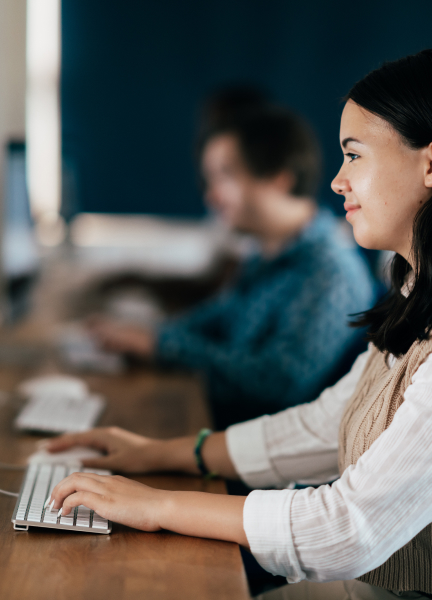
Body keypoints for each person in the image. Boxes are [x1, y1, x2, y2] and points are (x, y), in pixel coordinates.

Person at [45, 49, 432, 599]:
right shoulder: (414, 294)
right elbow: (328, 423)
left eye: (355, 156)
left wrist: (158, 504)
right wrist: (164, 452)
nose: (336, 181)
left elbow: (349, 528)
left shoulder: (334, 270)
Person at [89, 105, 376, 427]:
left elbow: (276, 383)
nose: (211, 197)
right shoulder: (264, 255)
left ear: (280, 178)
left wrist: (159, 345)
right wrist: (145, 337)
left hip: (256, 460)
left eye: (224, 176)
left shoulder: (330, 273)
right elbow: (214, 320)